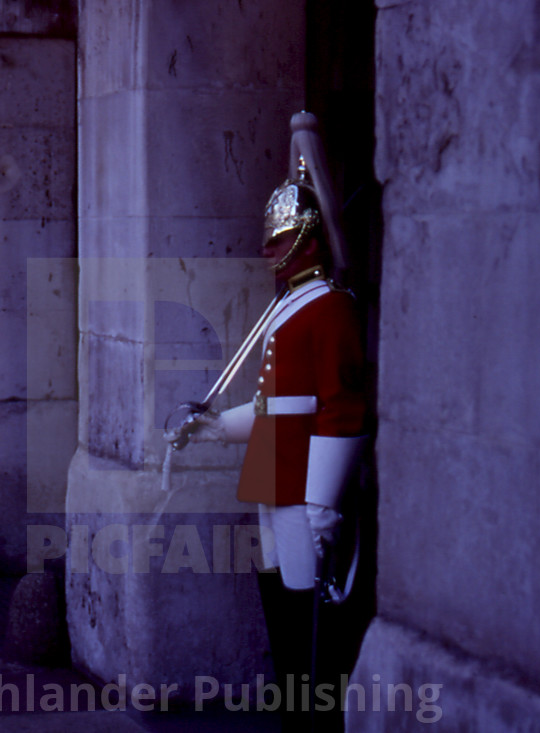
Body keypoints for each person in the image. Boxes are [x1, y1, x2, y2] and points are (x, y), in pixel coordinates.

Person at [171, 111, 368, 731]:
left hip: (305, 479)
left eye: (279, 241)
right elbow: (269, 409)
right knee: (283, 600)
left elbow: (344, 408)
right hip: (273, 473)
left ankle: (316, 722)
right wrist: (209, 426)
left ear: (307, 239)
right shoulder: (288, 307)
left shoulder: (331, 306)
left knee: (316, 612)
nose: (268, 252)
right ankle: (294, 716)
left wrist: (324, 502)